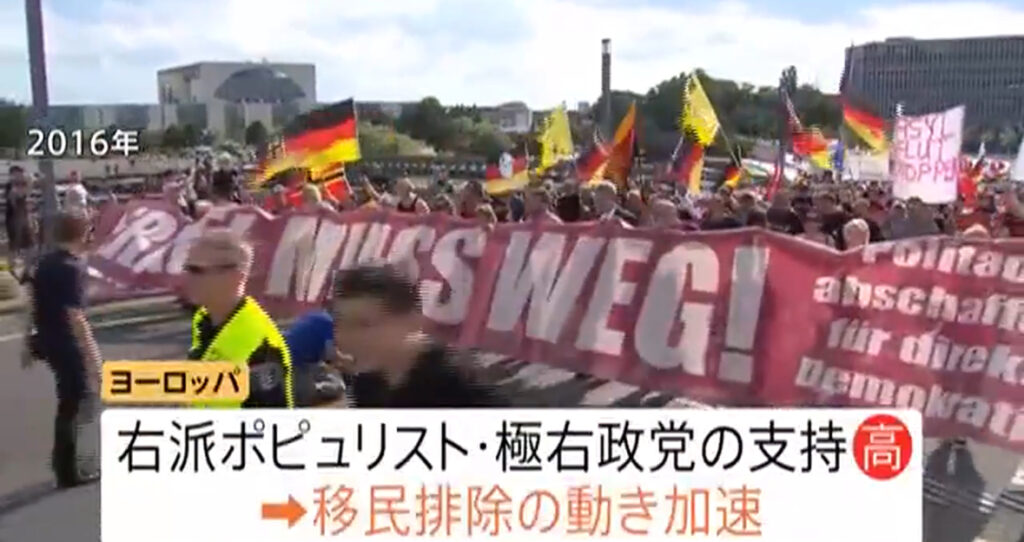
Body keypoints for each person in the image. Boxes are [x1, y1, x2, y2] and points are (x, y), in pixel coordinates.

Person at [330, 264, 505, 407]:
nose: (345, 337)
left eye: (363, 325)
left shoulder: (462, 386)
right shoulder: (367, 381)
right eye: (339, 323)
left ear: (413, 320)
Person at [25, 212, 101, 488]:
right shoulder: (73, 267)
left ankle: (64, 465)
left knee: (68, 400)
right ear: (82, 234)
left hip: (49, 339)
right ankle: (73, 468)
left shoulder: (45, 263)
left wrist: (29, 340)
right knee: (80, 401)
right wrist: (93, 355)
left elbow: (33, 303)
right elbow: (75, 316)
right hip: (68, 342)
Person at [183, 229, 295, 408]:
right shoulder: (204, 319)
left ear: (235, 277)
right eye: (186, 269)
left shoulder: (260, 344)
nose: (187, 277)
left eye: (196, 270)